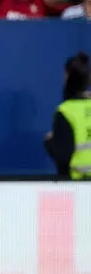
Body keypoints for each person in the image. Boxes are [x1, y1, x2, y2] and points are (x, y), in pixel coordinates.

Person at [45, 51, 91, 179]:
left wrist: (50, 143)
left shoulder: (66, 112)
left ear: (67, 78)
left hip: (77, 189)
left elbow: (63, 158)